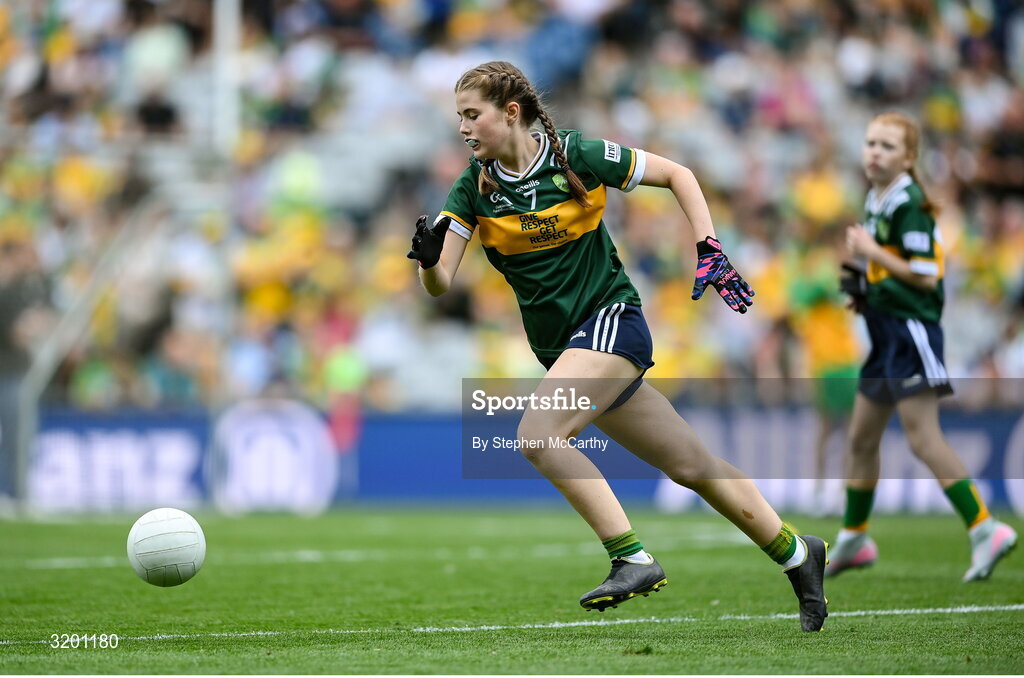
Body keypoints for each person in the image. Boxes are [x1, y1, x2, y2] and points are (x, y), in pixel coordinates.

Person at [406, 61, 827, 632]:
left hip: (611, 322)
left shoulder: (577, 155)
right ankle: (798, 554)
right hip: (569, 350)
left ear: (510, 113)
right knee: (691, 465)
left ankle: (631, 557)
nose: (462, 127)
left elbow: (679, 175)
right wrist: (430, 261)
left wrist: (709, 247)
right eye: (459, 116)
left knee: (537, 434)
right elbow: (441, 283)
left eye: (471, 114)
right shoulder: (472, 189)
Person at [829, 112, 1018, 581]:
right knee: (861, 437)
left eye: (888, 146)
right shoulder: (879, 197)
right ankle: (855, 536)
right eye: (871, 142)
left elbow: (926, 273)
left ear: (910, 158)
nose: (875, 151)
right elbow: (893, 270)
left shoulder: (908, 202)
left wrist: (871, 255)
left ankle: (985, 527)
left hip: (911, 330)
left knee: (923, 437)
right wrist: (868, 287)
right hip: (886, 330)